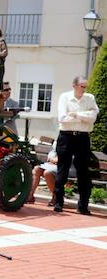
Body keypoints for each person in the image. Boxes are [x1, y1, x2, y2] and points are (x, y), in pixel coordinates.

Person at [53, 76, 99, 215]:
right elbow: (63, 118)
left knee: (83, 172)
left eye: (85, 86)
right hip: (66, 137)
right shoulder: (64, 97)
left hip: (83, 138)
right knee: (62, 170)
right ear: (74, 85)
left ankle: (83, 206)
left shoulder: (90, 98)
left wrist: (76, 114)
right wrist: (84, 117)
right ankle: (58, 203)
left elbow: (93, 117)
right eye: (82, 86)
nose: (84, 89)